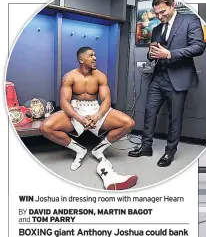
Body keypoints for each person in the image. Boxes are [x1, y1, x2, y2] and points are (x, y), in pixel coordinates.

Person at [39, 46, 138, 191]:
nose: (95, 58)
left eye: (95, 55)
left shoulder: (100, 76)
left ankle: (99, 150)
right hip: (75, 109)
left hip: (95, 109)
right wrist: (79, 118)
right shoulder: (70, 76)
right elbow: (64, 102)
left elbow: (106, 100)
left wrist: (97, 116)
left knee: (128, 123)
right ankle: (79, 150)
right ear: (81, 59)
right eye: (91, 56)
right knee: (45, 127)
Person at [128, 0, 206, 167]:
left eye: (163, 12)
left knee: (175, 118)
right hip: (158, 77)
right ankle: (146, 147)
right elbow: (153, 53)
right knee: (149, 113)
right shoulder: (156, 29)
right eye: (156, 13)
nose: (159, 17)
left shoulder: (190, 20)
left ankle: (169, 152)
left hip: (178, 78)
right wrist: (151, 54)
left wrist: (170, 54)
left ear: (172, 6)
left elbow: (199, 46)